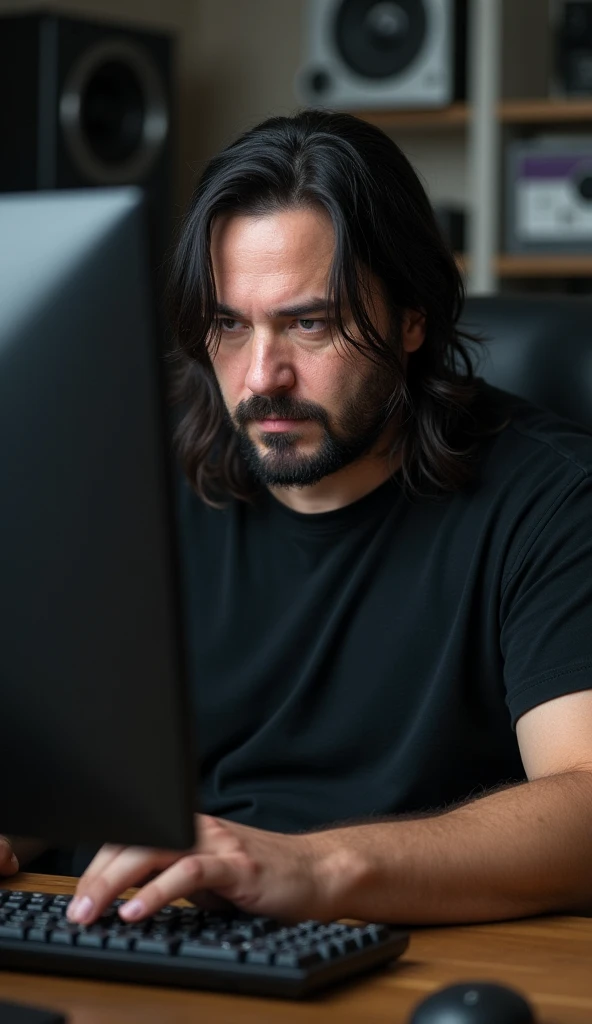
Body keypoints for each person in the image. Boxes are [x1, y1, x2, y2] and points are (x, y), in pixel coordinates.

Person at [4, 110, 592, 927]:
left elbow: (586, 804)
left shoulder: (553, 498)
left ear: (413, 317)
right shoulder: (137, 479)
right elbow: (66, 764)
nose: (260, 377)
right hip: (129, 930)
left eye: (309, 322)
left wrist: (312, 867)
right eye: (228, 325)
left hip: (392, 952)